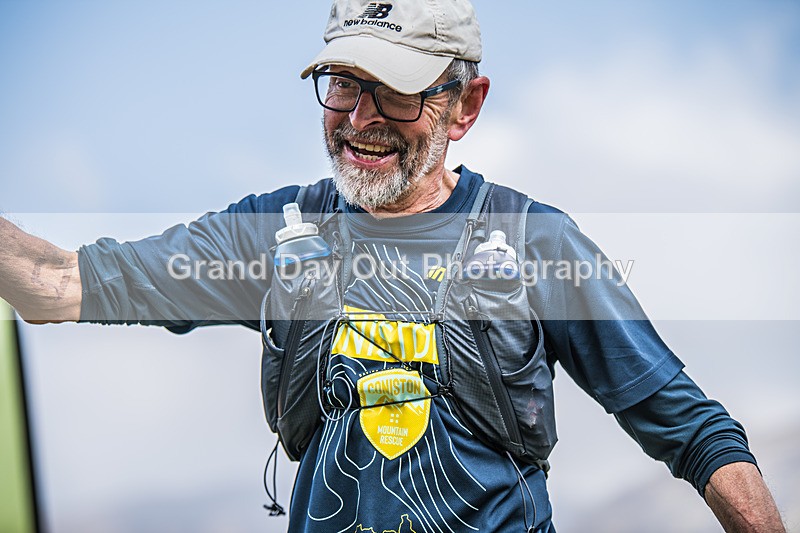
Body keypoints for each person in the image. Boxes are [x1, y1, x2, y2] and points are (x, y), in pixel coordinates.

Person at [0, 0, 786, 531]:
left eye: (398, 93)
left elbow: (693, 430)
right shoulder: (273, 233)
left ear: (465, 105)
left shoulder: (536, 242)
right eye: (345, 85)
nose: (362, 119)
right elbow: (55, 283)